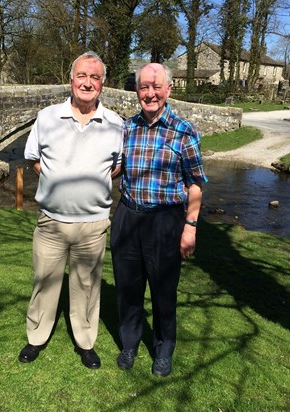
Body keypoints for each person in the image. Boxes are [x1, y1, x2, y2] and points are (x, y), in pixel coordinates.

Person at [19, 51, 123, 369]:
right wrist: (59, 182)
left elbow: (116, 168)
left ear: (102, 84)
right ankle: (36, 338)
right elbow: (35, 160)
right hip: (52, 221)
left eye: (94, 77)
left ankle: (85, 341)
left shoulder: (116, 124)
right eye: (82, 76)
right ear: (71, 80)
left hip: (93, 224)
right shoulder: (47, 117)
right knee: (44, 282)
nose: (87, 83)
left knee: (87, 287)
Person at [110, 63, 208, 377]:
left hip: (165, 222)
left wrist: (190, 227)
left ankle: (163, 348)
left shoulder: (184, 130)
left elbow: (195, 183)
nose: (150, 93)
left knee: (163, 291)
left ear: (168, 89)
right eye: (144, 87)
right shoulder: (127, 127)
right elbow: (114, 169)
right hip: (128, 215)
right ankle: (130, 343)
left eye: (156, 87)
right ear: (136, 90)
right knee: (128, 288)